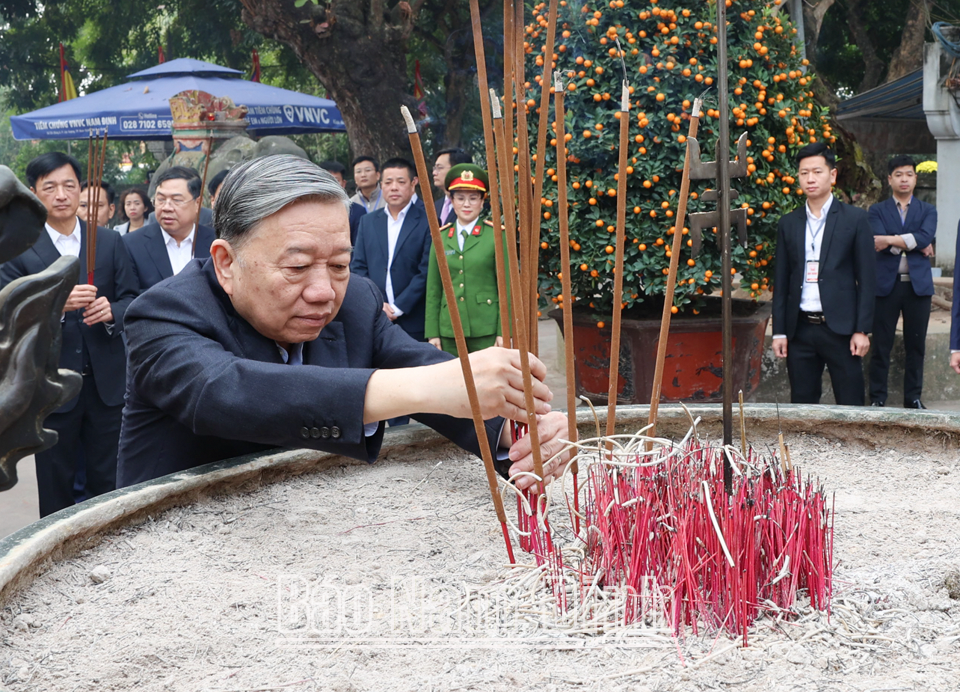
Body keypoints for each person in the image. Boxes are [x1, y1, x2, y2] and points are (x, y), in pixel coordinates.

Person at [115, 154, 570, 492]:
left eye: (338, 264)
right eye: (296, 268)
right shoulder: (164, 315)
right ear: (227, 262)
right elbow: (230, 392)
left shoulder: (353, 300)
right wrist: (432, 387)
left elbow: (416, 364)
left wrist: (509, 426)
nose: (323, 291)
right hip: (179, 545)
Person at [0, 152, 138, 517]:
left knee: (107, 481)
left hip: (106, 383)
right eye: (50, 187)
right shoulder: (19, 248)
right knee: (55, 481)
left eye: (69, 186)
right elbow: (6, 313)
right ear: (33, 193)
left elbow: (133, 299)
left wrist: (113, 311)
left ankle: (106, 546)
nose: (61, 195)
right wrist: (55, 306)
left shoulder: (107, 241)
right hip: (48, 384)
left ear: (81, 190)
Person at [771, 142, 875, 405]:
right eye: (804, 173)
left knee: (850, 402)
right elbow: (782, 281)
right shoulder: (789, 223)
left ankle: (851, 447)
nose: (810, 179)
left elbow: (867, 279)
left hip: (841, 329)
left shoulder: (854, 219)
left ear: (833, 175)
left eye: (817, 171)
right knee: (802, 403)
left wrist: (862, 329)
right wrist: (779, 331)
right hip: (800, 329)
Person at [867, 155, 937, 409]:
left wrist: (891, 239)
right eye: (898, 174)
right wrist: (914, 243)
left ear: (915, 178)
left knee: (916, 345)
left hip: (918, 286)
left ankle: (913, 398)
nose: (904, 179)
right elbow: (877, 241)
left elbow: (926, 235)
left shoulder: (928, 210)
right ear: (890, 179)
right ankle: (877, 398)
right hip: (886, 284)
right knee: (881, 345)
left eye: (909, 174)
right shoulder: (876, 210)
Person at [426, 163, 506, 356]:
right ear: (451, 201)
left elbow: (506, 287)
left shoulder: (495, 235)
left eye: (473, 198)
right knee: (454, 383)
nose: (467, 204)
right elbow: (434, 289)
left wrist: (505, 331)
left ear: (482, 201)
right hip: (449, 329)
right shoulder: (440, 237)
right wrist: (432, 332)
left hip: (486, 327)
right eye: (460, 198)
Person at [351, 158, 432, 343]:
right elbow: (358, 267)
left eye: (401, 182)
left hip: (415, 319)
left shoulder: (428, 221)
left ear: (413, 184)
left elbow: (426, 271)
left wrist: (398, 307)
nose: (394, 187)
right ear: (381, 185)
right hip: (376, 317)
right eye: (388, 182)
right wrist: (377, 304)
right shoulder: (368, 221)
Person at [122, 166, 217, 292]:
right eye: (160, 199)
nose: (166, 207)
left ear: (197, 204)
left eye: (176, 200)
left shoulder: (216, 241)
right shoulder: (131, 244)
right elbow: (128, 299)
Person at [319, 160, 365, 245]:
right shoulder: (309, 211)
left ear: (343, 184)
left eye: (336, 180)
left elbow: (358, 249)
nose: (331, 184)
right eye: (327, 180)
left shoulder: (357, 211)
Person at [432, 148, 472, 226]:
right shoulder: (435, 206)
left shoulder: (473, 205)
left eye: (439, 168)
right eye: (434, 168)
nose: (434, 173)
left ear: (457, 170)